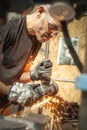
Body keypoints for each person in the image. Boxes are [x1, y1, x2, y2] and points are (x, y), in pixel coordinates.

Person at [0, 5, 62, 112]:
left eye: (57, 33)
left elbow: (17, 76)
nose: (53, 36)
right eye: (52, 27)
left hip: (3, 103)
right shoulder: (7, 24)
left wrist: (34, 74)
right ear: (40, 11)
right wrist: (15, 92)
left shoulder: (37, 39)